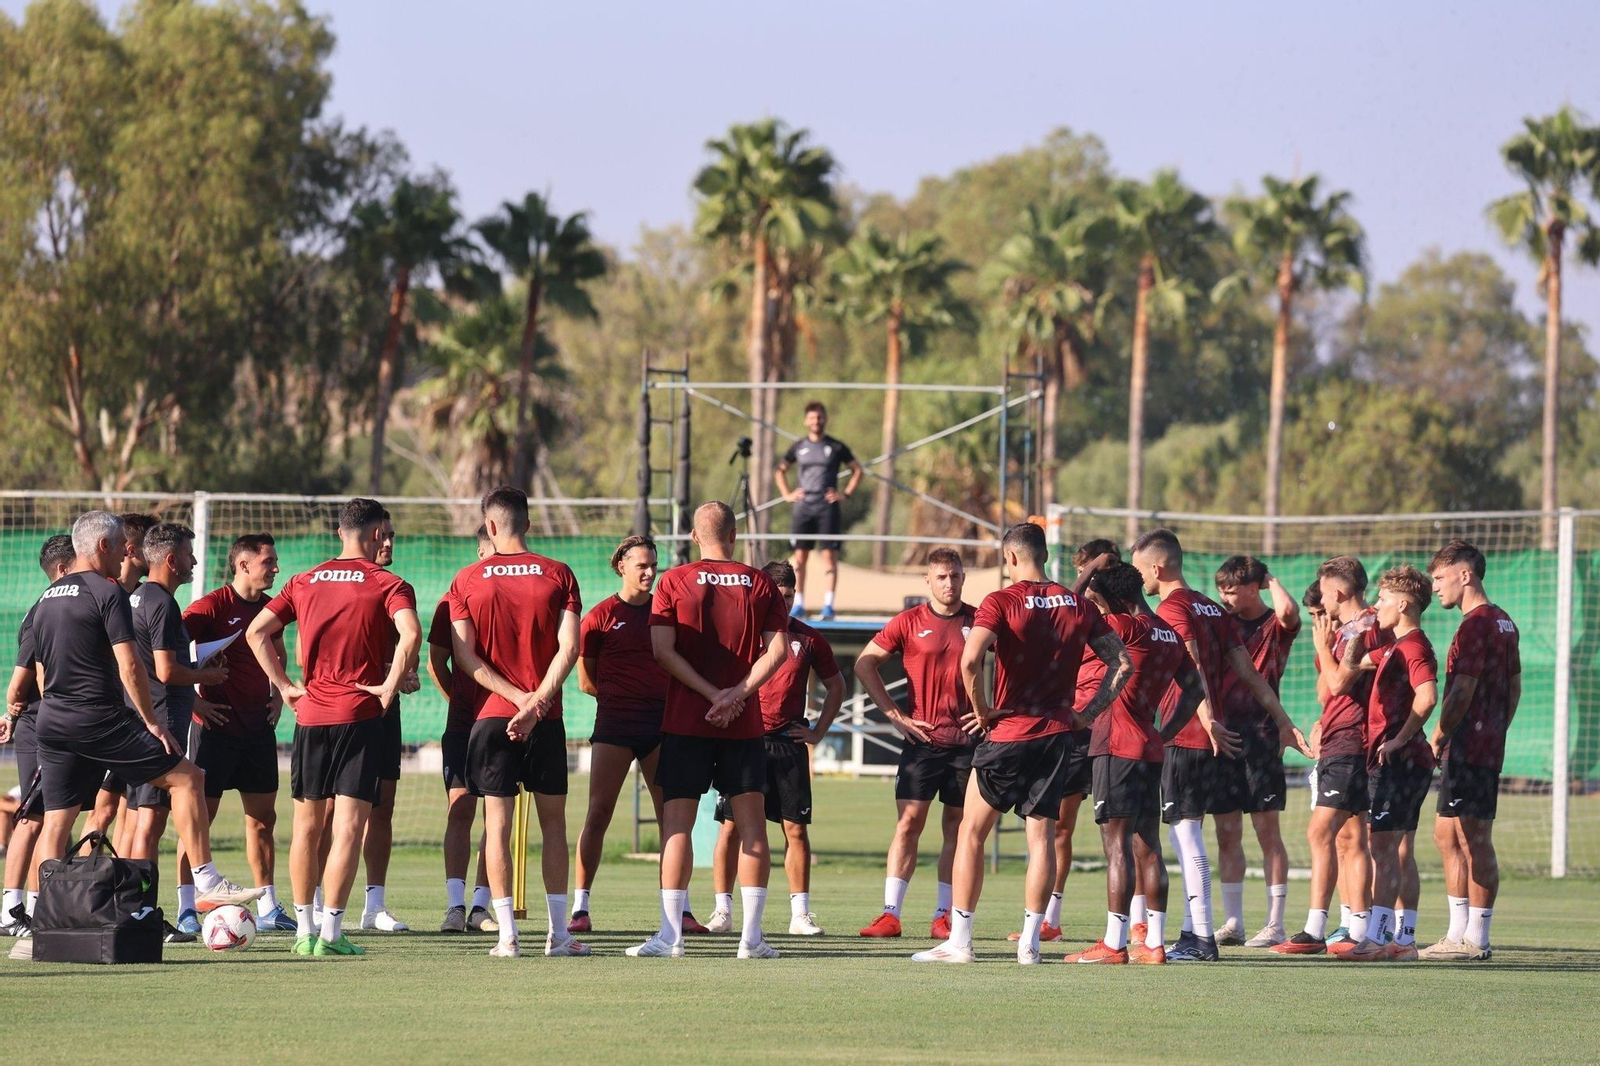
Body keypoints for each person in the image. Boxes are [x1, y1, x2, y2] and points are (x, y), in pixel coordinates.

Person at [20, 511, 262, 960]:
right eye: (120, 546)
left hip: (52, 720)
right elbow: (130, 664)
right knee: (188, 779)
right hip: (99, 719)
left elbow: (38, 667)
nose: (126, 554)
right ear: (103, 547)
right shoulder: (108, 591)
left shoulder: (47, 597)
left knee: (57, 821)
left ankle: (42, 925)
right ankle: (207, 881)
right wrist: (150, 721)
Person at [912, 521, 1132, 965]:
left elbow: (970, 660)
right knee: (1041, 839)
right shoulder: (1076, 603)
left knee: (970, 833)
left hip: (1009, 733)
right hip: (1056, 737)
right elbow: (1122, 664)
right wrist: (1087, 714)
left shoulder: (1001, 601)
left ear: (1010, 557)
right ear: (1045, 555)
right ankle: (1030, 944)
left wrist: (982, 710)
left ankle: (960, 942)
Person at [247, 497, 421, 957]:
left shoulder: (304, 580)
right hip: (359, 716)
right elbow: (411, 633)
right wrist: (389, 685)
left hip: (310, 717)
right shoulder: (388, 582)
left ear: (340, 532)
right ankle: (331, 933)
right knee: (347, 827)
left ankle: (303, 930)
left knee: (306, 828)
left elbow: (255, 632)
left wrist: (285, 687)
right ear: (377, 534)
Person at [1129, 527, 1308, 964]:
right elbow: (1250, 673)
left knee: (1185, 835)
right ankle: (1195, 931)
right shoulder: (1212, 608)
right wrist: (1283, 721)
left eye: (1140, 570)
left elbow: (1192, 668)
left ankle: (1202, 938)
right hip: (1213, 738)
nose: (1139, 579)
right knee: (1196, 834)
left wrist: (1207, 719)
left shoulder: (1172, 608)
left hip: (1189, 735)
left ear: (1157, 568)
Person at [627, 502, 788, 960]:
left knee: (677, 826)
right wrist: (735, 695)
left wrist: (711, 694)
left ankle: (670, 937)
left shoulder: (674, 581)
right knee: (753, 828)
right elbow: (777, 653)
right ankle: (751, 939)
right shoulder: (759, 582)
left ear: (695, 537)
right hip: (744, 724)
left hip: (685, 720)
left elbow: (662, 650)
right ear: (735, 535)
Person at [446, 487, 586, 959]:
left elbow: (464, 658)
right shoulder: (559, 573)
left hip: (491, 718)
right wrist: (537, 703)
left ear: (489, 527)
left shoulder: (466, 579)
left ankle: (507, 936)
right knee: (554, 827)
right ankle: (559, 936)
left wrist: (515, 699)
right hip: (545, 719)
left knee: (497, 828)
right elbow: (570, 649)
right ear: (528, 523)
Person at [1063, 563, 1206, 964]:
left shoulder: (1122, 627)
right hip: (1149, 747)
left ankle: (1114, 944)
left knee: (1117, 846)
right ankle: (1155, 944)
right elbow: (1195, 688)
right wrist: (1166, 731)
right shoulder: (1169, 633)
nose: (1098, 610)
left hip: (1116, 744)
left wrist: (1088, 574)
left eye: (1101, 603)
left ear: (1117, 602)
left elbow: (1068, 614)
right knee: (1149, 848)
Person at [570, 535, 708, 937]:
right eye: (641, 566)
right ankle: (580, 907)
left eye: (653, 565)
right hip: (614, 728)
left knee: (673, 821)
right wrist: (623, 700)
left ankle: (680, 910)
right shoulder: (600, 616)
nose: (649, 573)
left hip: (662, 729)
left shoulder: (667, 614)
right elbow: (586, 681)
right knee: (598, 814)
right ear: (622, 567)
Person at [709, 561, 844, 936]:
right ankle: (722, 911)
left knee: (795, 830)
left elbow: (837, 685)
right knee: (731, 828)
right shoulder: (742, 633)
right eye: (776, 596)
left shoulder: (809, 638)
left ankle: (800, 915)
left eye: (789, 596)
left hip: (788, 745)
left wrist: (818, 731)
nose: (783, 603)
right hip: (745, 742)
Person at [854, 548, 976, 939]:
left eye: (955, 576)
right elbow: (864, 663)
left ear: (963, 577)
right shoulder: (908, 622)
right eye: (941, 576)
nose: (949, 583)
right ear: (928, 580)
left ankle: (944, 915)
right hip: (921, 741)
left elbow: (1013, 662)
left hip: (966, 743)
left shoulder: (978, 621)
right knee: (908, 824)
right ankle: (890, 915)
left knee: (958, 830)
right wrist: (894, 714)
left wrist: (989, 712)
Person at [121, 523, 230, 945]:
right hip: (160, 724)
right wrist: (207, 677)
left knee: (140, 820)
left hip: (140, 720)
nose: (194, 561)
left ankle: (138, 911)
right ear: (170, 559)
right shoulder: (161, 603)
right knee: (150, 821)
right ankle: (144, 912)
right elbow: (166, 672)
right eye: (188, 554)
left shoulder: (136, 598)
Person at [182, 533, 296, 934]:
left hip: (258, 731)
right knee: (199, 822)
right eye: (269, 562)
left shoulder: (271, 609)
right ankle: (186, 909)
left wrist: (279, 695)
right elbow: (165, 653)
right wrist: (193, 700)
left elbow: (279, 654)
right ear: (243, 565)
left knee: (264, 820)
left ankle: (268, 906)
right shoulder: (211, 606)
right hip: (214, 731)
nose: (276, 568)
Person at [1010, 537, 1119, 946]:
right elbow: (1068, 600)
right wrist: (1088, 572)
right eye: (1079, 572)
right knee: (1059, 828)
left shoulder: (1120, 616)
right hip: (1073, 727)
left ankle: (1137, 922)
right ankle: (1049, 920)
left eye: (1087, 571)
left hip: (1111, 728)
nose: (1082, 580)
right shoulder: (1071, 612)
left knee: (1122, 830)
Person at [1420, 540, 1519, 962]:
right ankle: (1456, 934)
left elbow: (1462, 691)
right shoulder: (1503, 621)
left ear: (1465, 574)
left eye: (1440, 577)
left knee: (1473, 838)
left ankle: (1477, 939)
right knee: (1446, 835)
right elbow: (1514, 686)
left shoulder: (1476, 625)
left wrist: (1438, 734)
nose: (1435, 586)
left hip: (1470, 746)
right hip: (1479, 742)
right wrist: (1497, 728)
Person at [1341, 565, 1438, 962]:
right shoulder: (1394, 646)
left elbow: (1428, 696)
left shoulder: (1413, 646)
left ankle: (1378, 938)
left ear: (1402, 605)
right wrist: (1357, 632)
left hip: (1400, 761)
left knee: (1382, 848)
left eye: (1382, 600)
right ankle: (1403, 938)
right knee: (1397, 851)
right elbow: (1353, 665)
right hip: (1405, 760)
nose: (1375, 605)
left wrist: (1400, 738)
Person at [1210, 555, 1301, 947]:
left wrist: (1270, 578)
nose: (1225, 598)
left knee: (1267, 833)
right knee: (1226, 833)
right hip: (1224, 737)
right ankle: (1233, 922)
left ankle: (1275, 923)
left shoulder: (1274, 625)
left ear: (1254, 587)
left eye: (1232, 591)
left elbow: (1289, 611)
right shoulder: (1220, 622)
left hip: (1263, 738)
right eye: (1221, 591)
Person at [0, 535, 77, 936]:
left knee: (52, 817)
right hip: (41, 726)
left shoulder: (67, 606)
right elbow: (22, 681)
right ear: (63, 569)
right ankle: (10, 910)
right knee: (32, 817)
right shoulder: (41, 613)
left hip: (57, 724)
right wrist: (14, 713)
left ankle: (37, 907)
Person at [426, 526, 497, 934]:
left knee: (497, 815)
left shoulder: (518, 596)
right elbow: (437, 660)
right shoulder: (452, 599)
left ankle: (481, 907)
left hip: (502, 722)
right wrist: (459, 701)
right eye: (492, 551)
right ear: (481, 551)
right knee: (460, 808)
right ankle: (455, 906)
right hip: (463, 726)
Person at [360, 512, 422, 933]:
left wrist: (404, 674)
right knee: (332, 810)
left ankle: (374, 906)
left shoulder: (399, 589)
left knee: (382, 808)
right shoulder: (334, 583)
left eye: (392, 536)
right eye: (382, 536)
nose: (388, 543)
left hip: (384, 712)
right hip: (342, 711)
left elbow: (407, 652)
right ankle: (317, 905)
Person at [94, 511, 158, 858]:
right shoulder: (105, 593)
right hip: (106, 718)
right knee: (103, 808)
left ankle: (119, 884)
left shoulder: (144, 597)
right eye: (150, 545)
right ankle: (77, 883)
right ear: (131, 550)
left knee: (127, 809)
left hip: (130, 720)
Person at [775, 401, 863, 621]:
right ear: (806, 421)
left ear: (825, 419)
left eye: (820, 417)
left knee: (829, 557)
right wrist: (787, 494)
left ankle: (828, 606)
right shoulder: (798, 446)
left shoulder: (835, 446)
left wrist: (845, 494)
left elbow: (857, 470)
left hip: (827, 508)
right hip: (803, 507)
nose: (816, 421)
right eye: (813, 418)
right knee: (799, 558)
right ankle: (799, 604)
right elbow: (780, 470)